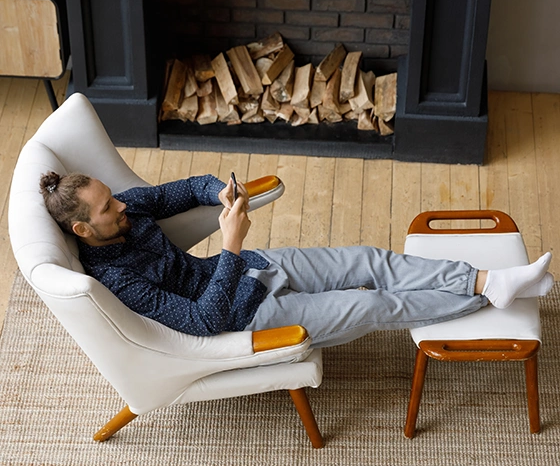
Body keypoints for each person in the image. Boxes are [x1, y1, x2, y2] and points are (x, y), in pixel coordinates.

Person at [39, 171, 554, 349]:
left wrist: (219, 192)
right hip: (245, 316)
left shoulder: (127, 210)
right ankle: (485, 297)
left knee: (368, 259)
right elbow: (201, 322)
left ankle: (488, 277)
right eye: (110, 207)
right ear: (84, 229)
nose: (125, 206)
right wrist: (231, 247)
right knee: (375, 304)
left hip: (258, 266)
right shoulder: (113, 279)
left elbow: (186, 188)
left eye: (115, 197)